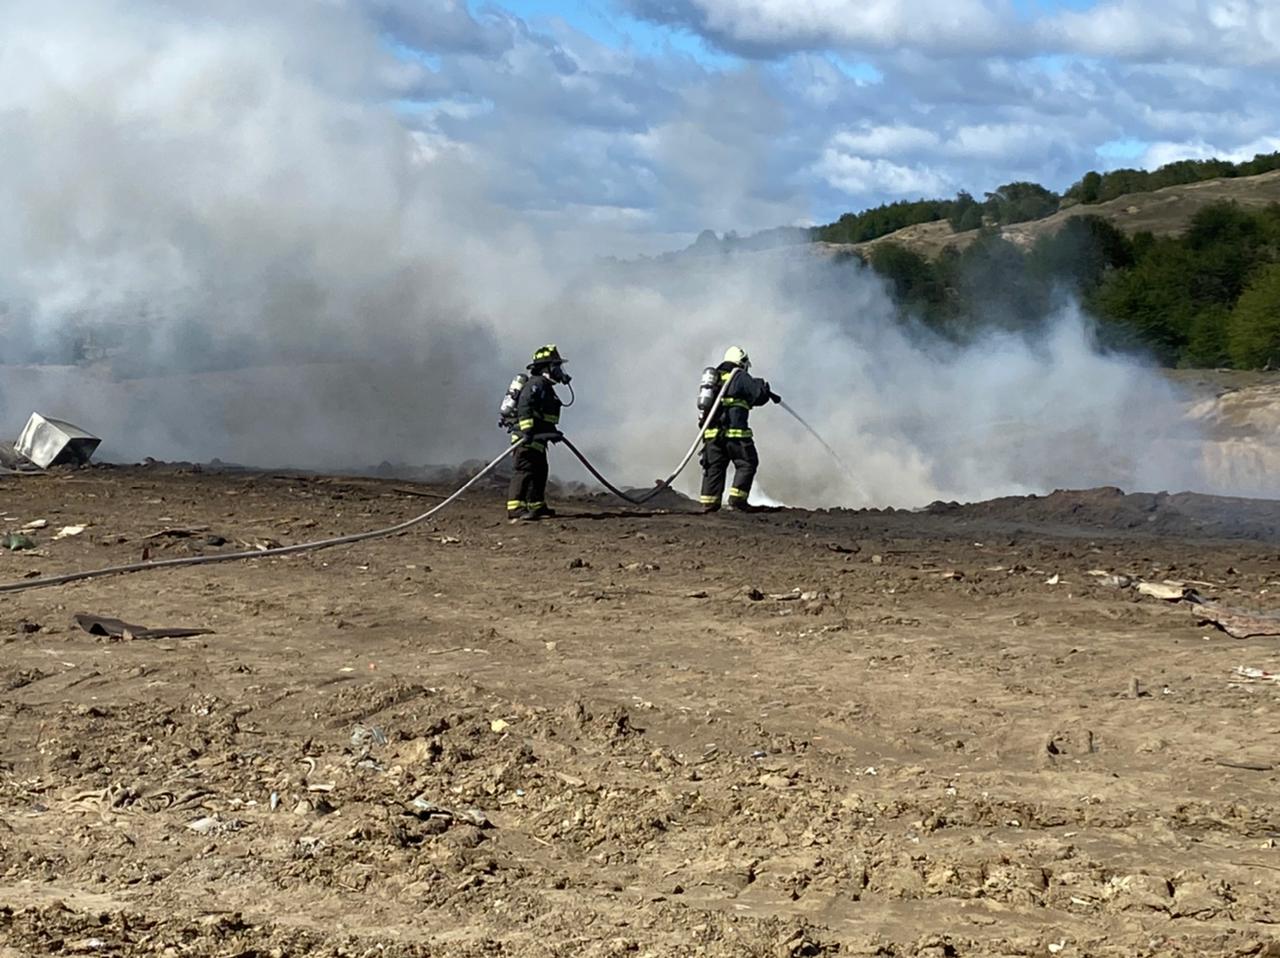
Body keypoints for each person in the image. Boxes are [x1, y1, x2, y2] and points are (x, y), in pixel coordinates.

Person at [698, 345, 780, 513]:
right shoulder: (739, 376)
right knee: (747, 463)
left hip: (712, 435)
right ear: (741, 362)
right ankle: (737, 500)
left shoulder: (715, 379)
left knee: (714, 467)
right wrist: (763, 387)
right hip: (734, 435)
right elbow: (758, 395)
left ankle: (709, 503)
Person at [506, 344, 570, 522]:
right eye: (556, 366)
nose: (559, 370)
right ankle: (516, 508)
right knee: (524, 472)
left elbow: (543, 415)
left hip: (538, 441)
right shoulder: (536, 384)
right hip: (526, 440)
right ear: (546, 367)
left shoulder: (546, 386)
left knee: (540, 471)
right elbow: (525, 406)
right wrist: (527, 430)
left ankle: (536, 505)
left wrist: (553, 432)